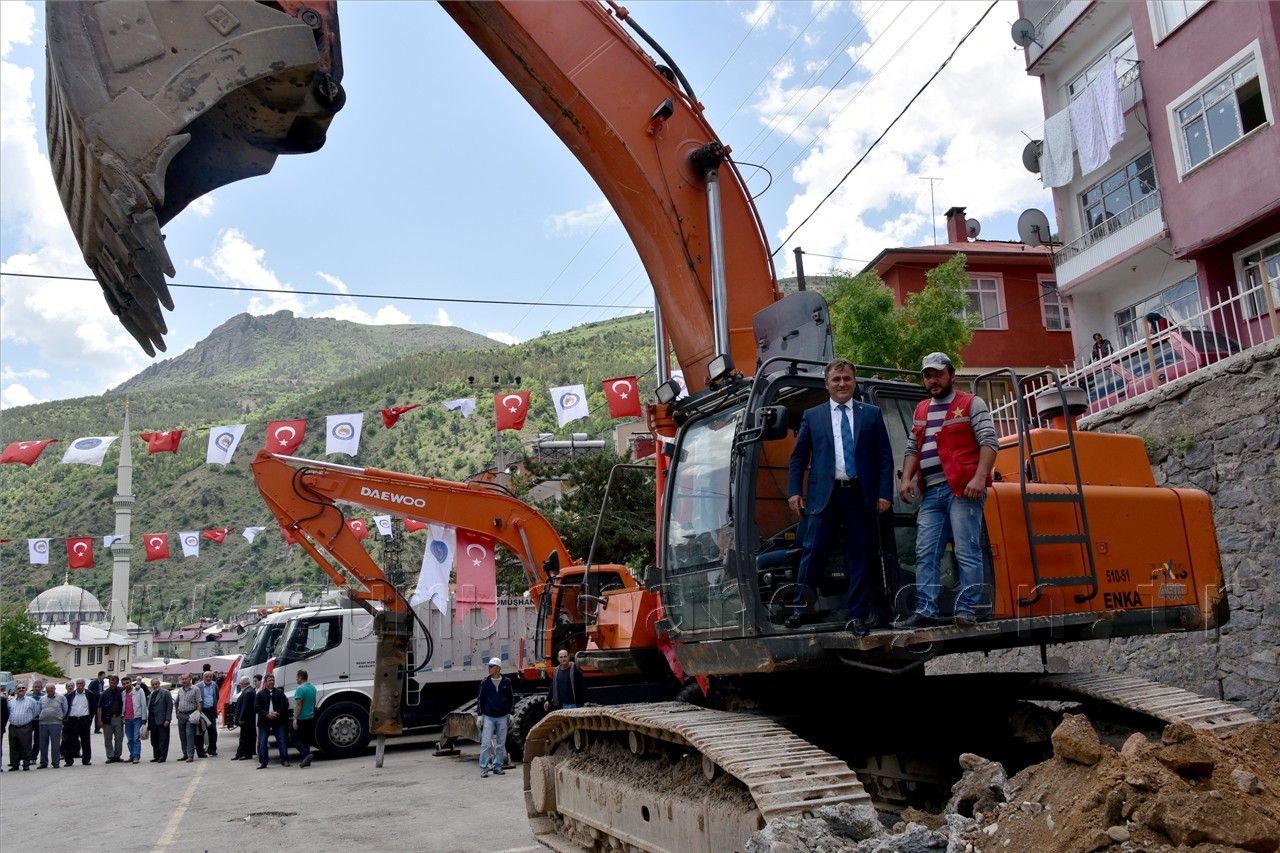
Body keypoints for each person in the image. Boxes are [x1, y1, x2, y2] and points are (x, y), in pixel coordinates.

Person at [785, 358, 895, 636]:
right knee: (813, 551)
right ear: (827, 384)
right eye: (836, 379)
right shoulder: (813, 416)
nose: (842, 384)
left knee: (861, 555)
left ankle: (857, 616)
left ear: (854, 382)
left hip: (861, 494)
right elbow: (799, 457)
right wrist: (794, 491)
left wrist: (885, 493)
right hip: (824, 495)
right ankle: (800, 608)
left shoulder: (871, 414)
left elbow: (884, 457)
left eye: (847, 379)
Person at [897, 352, 1000, 628]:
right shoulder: (921, 410)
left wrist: (980, 478)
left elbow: (989, 441)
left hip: (963, 491)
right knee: (925, 552)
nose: (933, 380)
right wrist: (906, 479)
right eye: (928, 376)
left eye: (938, 374)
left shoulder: (970, 403)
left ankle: (968, 608)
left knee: (966, 550)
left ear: (952, 375)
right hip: (931, 493)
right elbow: (912, 448)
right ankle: (925, 611)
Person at [476, 658, 515, 778]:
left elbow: (511, 698)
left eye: (491, 666)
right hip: (489, 716)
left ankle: (498, 766)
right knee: (486, 743)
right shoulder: (485, 683)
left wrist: (511, 713)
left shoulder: (506, 682)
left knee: (500, 744)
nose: (489, 669)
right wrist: (480, 715)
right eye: (489, 666)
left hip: (502, 716)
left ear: (498, 668)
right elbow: (480, 699)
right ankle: (484, 768)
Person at [256, 674, 290, 768]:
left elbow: (286, 704)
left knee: (282, 740)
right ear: (265, 682)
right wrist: (266, 714)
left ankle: (284, 760)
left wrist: (278, 712)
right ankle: (263, 762)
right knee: (263, 742)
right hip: (264, 721)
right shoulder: (260, 694)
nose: (272, 682)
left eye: (273, 680)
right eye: (270, 680)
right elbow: (256, 708)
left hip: (278, 720)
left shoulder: (279, 692)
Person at [7, 684, 39, 770]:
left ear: (26, 690)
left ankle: (26, 764)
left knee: (26, 746)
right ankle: (15, 764)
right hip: (13, 727)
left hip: (26, 726)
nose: (21, 689)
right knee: (13, 746)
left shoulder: (31, 701)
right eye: (19, 688)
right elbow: (8, 712)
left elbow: (36, 712)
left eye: (23, 688)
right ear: (16, 691)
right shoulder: (11, 702)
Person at [64, 678, 96, 766]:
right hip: (73, 719)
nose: (79, 685)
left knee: (85, 740)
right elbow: (67, 707)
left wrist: (90, 718)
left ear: (84, 684)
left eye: (81, 683)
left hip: (84, 719)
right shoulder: (70, 695)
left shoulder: (89, 694)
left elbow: (93, 707)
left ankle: (86, 759)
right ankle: (69, 760)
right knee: (70, 741)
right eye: (77, 683)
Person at [37, 682, 67, 768]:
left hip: (56, 723)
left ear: (54, 689)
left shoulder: (61, 698)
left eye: (51, 690)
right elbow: (39, 710)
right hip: (43, 724)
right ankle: (43, 762)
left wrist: (60, 717)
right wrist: (42, 716)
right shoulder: (42, 698)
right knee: (43, 745)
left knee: (55, 744)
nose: (49, 692)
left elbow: (65, 709)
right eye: (48, 691)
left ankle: (55, 762)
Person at [175, 674, 203, 762]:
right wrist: (176, 712)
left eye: (186, 679)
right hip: (181, 715)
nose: (184, 680)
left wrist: (198, 713)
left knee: (189, 735)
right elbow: (176, 702)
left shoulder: (195, 689)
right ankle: (185, 754)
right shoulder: (180, 690)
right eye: (182, 679)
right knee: (182, 735)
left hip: (191, 715)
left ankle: (190, 755)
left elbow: (199, 702)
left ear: (190, 679)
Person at [98, 674, 125, 763]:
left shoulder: (121, 691)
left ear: (117, 683)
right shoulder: (104, 693)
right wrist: (99, 720)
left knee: (119, 738)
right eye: (111, 682)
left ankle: (117, 756)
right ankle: (110, 756)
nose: (112, 684)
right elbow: (99, 707)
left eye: (114, 682)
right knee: (107, 738)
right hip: (107, 719)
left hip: (118, 718)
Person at [291, 670, 315, 768]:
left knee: (294, 738)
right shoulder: (312, 687)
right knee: (306, 739)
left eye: (297, 677)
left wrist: (295, 718)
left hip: (301, 718)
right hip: (310, 717)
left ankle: (306, 754)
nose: (296, 679)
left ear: (300, 677)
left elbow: (298, 705)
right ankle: (307, 761)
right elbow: (314, 701)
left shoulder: (300, 689)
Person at [121, 676, 148, 764]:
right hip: (127, 719)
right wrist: (122, 717)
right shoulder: (123, 693)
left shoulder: (139, 691)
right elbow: (123, 706)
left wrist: (144, 718)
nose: (126, 685)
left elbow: (143, 704)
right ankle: (132, 755)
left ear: (131, 682)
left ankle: (136, 756)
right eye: (124, 684)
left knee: (136, 738)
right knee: (130, 739)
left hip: (137, 718)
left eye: (127, 683)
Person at [148, 678, 173, 763]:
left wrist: (168, 719)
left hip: (162, 720)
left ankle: (163, 756)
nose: (155, 686)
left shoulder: (165, 693)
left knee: (163, 739)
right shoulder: (151, 694)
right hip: (152, 719)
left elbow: (169, 706)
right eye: (153, 684)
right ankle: (156, 755)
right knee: (154, 739)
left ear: (159, 684)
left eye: (156, 684)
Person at [232, 676, 257, 760]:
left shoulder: (248, 692)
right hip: (248, 719)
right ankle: (242, 753)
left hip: (247, 720)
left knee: (245, 737)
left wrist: (241, 718)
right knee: (245, 737)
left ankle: (245, 753)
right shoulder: (249, 690)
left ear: (243, 684)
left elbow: (245, 707)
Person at [197, 670, 219, 756]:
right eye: (206, 677)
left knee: (213, 731)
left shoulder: (214, 685)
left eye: (210, 677)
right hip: (202, 712)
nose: (208, 678)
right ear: (203, 677)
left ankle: (212, 749)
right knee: (201, 732)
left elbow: (217, 696)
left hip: (211, 711)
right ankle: (200, 751)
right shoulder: (198, 686)